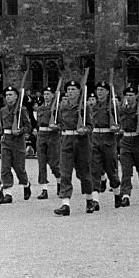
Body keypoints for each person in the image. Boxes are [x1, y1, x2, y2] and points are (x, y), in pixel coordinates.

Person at [54, 79, 95, 216]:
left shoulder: (85, 107)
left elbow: (91, 126)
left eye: (73, 90)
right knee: (65, 172)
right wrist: (57, 127)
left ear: (79, 92)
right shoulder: (63, 107)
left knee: (84, 173)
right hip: (66, 141)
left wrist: (85, 130)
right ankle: (65, 204)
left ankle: (89, 199)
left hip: (81, 142)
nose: (70, 92)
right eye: (69, 90)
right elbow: (60, 123)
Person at [116, 85, 139, 208]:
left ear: (136, 96)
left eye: (131, 95)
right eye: (127, 95)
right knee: (126, 171)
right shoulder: (121, 110)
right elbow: (118, 124)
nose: (129, 97)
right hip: (125, 143)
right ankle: (125, 196)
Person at [0, 85, 33, 200]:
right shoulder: (2, 110)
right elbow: (0, 126)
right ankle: (8, 192)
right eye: (7, 95)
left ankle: (26, 184)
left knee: (19, 167)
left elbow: (28, 126)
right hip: (6, 140)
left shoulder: (21, 110)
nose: (8, 97)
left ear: (16, 96)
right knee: (5, 167)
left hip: (18, 140)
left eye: (11, 95)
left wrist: (20, 131)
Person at [89, 81, 119, 206]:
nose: (99, 92)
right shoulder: (92, 106)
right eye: (98, 90)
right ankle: (95, 200)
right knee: (95, 170)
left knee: (111, 170)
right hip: (95, 138)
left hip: (108, 139)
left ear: (107, 92)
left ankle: (117, 194)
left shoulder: (113, 106)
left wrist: (116, 127)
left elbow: (120, 121)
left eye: (102, 90)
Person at [33, 87, 60, 199]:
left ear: (53, 95)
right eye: (45, 94)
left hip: (52, 136)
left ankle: (59, 182)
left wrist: (56, 127)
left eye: (48, 94)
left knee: (54, 163)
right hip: (41, 136)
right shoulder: (40, 109)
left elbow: (61, 124)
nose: (46, 96)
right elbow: (37, 123)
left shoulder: (57, 108)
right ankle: (44, 189)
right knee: (41, 163)